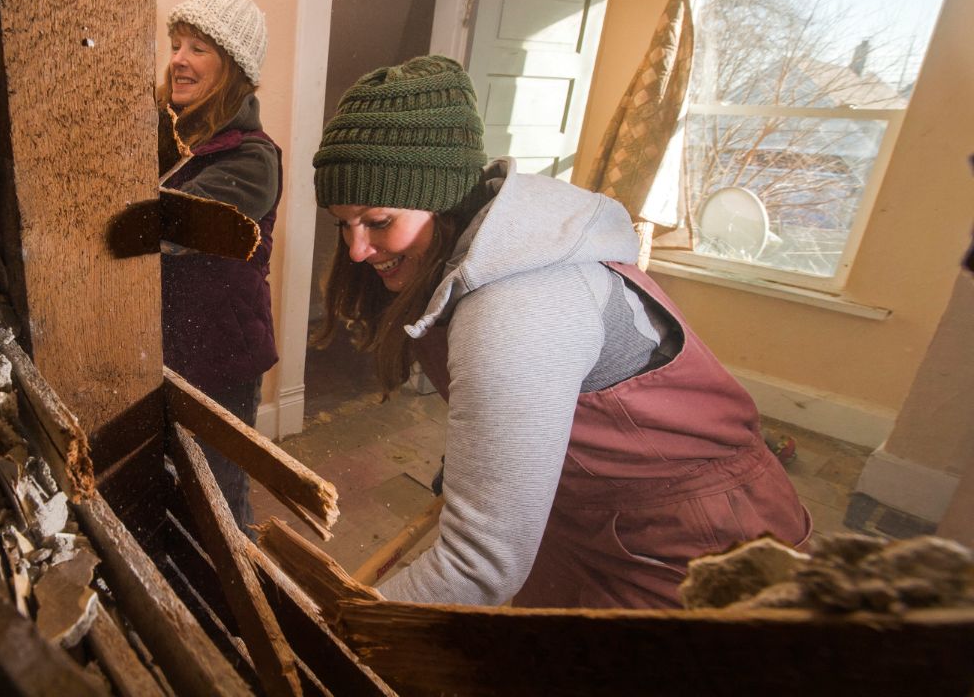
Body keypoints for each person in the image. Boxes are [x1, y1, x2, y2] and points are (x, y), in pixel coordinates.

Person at [312, 54, 810, 609]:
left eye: (378, 222)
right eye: (343, 224)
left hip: (696, 541)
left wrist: (337, 629)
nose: (356, 251)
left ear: (446, 197)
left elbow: (478, 566)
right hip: (586, 512)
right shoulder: (477, 250)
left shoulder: (519, 311)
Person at [158, 0, 280, 529]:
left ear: (232, 67)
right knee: (172, 484)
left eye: (199, 48)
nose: (179, 59)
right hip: (168, 346)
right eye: (177, 45)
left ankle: (239, 605)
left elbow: (162, 224)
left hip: (220, 355)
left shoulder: (252, 158)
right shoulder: (171, 135)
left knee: (220, 500)